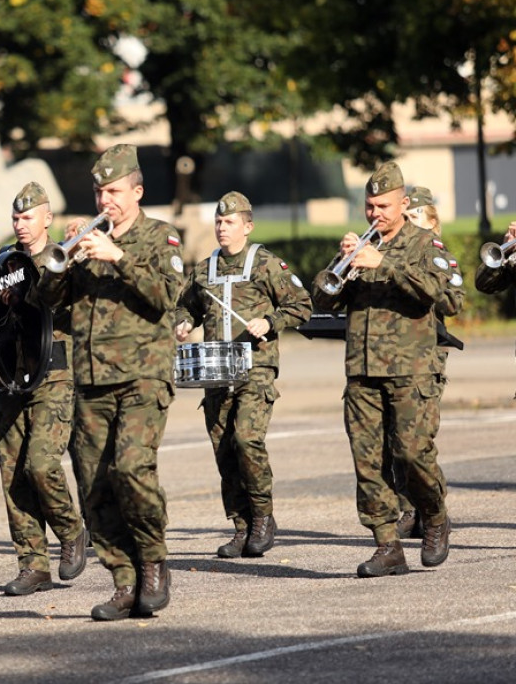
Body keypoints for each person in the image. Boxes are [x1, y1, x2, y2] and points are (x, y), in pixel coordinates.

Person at [38, 144, 185, 621]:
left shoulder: (161, 236)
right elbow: (47, 301)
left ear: (137, 191)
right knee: (94, 484)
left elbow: (166, 295)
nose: (107, 201)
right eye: (101, 191)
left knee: (131, 470)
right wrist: (65, 260)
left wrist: (117, 256)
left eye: (116, 191)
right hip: (92, 379)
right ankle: (123, 581)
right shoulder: (86, 241)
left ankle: (153, 562)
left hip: (143, 375)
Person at [312, 162, 461, 578]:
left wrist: (386, 266)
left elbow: (448, 299)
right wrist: (339, 269)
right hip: (361, 370)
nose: (375, 213)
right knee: (368, 462)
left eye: (383, 205)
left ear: (404, 203)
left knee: (412, 455)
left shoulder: (426, 244)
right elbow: (321, 302)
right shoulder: (362, 244)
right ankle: (386, 543)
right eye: (369, 205)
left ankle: (433, 515)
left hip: (412, 370)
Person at [175, 191, 312, 559]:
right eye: (219, 222)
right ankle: (241, 526)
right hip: (217, 368)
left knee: (247, 440)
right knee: (224, 451)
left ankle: (264, 518)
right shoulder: (204, 269)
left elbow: (301, 305)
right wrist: (183, 324)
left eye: (230, 222)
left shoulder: (266, 264)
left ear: (247, 227)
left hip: (256, 368)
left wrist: (270, 321)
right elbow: (184, 307)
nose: (222, 227)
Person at [0, 182, 88, 596]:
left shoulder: (66, 255)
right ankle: (33, 563)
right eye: (16, 217)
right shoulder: (4, 262)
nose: (21, 224)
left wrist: (75, 252)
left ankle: (72, 530)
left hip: (53, 373)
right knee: (12, 469)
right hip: (12, 374)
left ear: (47, 218)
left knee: (41, 464)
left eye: (28, 217)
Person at [394, 187, 464, 539]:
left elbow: (453, 303)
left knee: (418, 441)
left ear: (432, 223)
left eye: (414, 218)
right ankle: (408, 509)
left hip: (426, 359)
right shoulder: (387, 252)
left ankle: (432, 508)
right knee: (393, 439)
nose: (406, 225)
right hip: (392, 358)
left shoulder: (440, 258)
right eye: (403, 218)